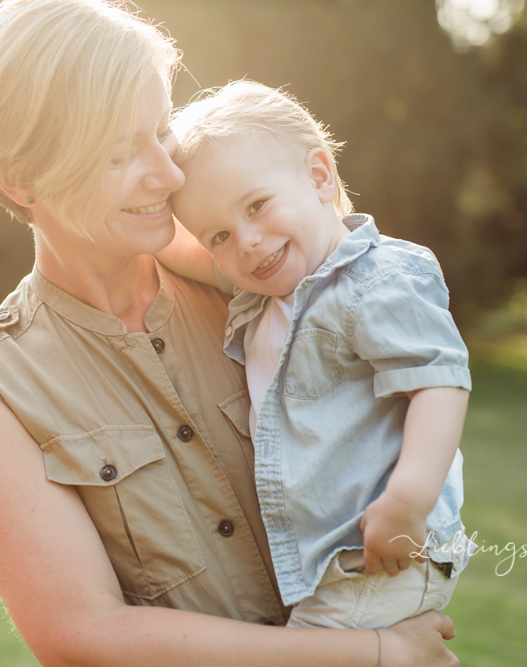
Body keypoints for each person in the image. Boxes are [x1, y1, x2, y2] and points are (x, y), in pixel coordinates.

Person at [0, 0, 460, 664]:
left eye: (160, 131)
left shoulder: (252, 271)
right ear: (23, 179)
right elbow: (81, 633)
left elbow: (401, 332)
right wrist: (375, 651)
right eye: (123, 151)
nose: (169, 173)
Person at [156, 80, 474, 629]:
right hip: (330, 566)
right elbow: (175, 251)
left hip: (378, 555)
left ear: (320, 176)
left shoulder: (374, 279)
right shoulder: (263, 290)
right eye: (220, 236)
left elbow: (440, 383)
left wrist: (408, 500)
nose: (248, 241)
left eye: (257, 205)